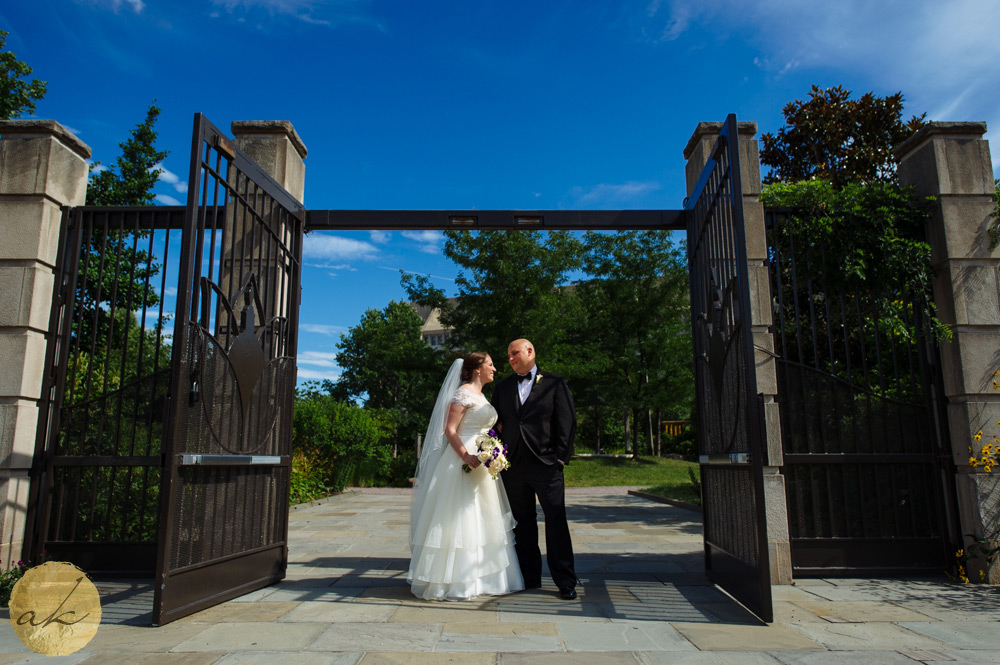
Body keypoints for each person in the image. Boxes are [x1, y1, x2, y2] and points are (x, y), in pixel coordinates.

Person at [407, 353, 524, 600]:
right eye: (490, 364)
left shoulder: (481, 396)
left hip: (483, 461)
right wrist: (465, 456)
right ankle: (456, 582)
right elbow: (449, 429)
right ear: (476, 370)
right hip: (463, 461)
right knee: (460, 517)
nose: (494, 368)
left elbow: (480, 425)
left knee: (484, 517)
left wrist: (493, 442)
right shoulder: (461, 394)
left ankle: (484, 578)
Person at [491, 338, 578, 600]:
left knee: (555, 520)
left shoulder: (554, 383)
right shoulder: (503, 387)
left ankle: (565, 580)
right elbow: (495, 422)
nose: (510, 358)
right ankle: (530, 578)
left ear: (530, 351)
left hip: (546, 465)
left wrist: (560, 458)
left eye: (514, 353)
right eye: (507, 355)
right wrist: (496, 454)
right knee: (522, 523)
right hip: (513, 466)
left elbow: (567, 420)